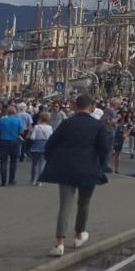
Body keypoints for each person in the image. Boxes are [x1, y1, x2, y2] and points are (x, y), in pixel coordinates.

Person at [40, 95, 112, 258]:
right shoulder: (98, 125)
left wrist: (53, 159)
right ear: (91, 107)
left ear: (76, 106)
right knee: (84, 202)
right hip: (89, 169)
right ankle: (78, 235)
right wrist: (100, 165)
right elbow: (104, 148)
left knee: (65, 204)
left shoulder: (67, 123)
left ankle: (59, 243)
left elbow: (51, 144)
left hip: (66, 168)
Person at [0, 104, 25, 187]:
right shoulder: (18, 121)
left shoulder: (2, 120)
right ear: (15, 112)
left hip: (4, 141)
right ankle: (11, 180)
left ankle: (3, 181)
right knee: (13, 162)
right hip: (14, 142)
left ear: (7, 112)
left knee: (3, 162)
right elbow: (21, 132)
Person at [28, 111, 53, 186]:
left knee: (34, 164)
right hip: (45, 146)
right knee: (42, 165)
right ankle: (40, 181)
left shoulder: (36, 127)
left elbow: (32, 138)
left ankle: (33, 180)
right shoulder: (50, 127)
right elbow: (51, 138)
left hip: (36, 146)